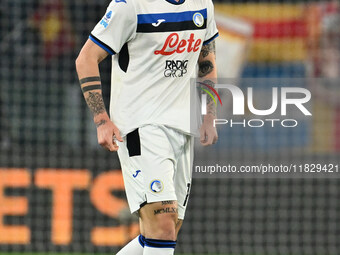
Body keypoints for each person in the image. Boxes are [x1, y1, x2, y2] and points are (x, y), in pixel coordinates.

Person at [76, 0, 218, 254]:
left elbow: (206, 62)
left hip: (183, 128)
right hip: (142, 125)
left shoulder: (203, 4)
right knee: (163, 225)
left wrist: (209, 115)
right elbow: (86, 58)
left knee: (166, 228)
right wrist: (101, 120)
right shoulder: (130, 5)